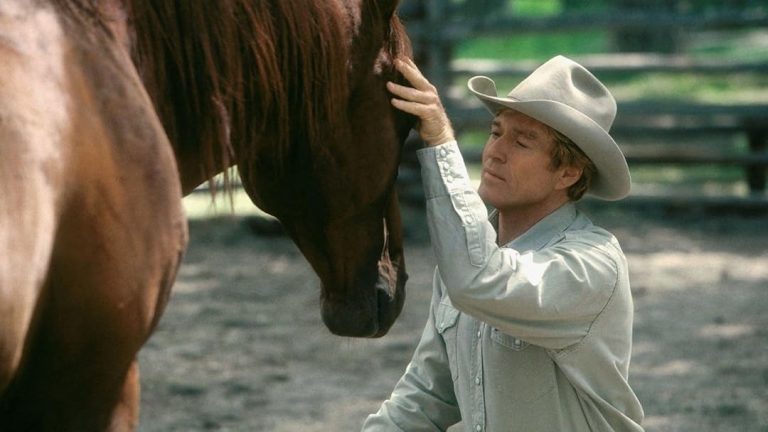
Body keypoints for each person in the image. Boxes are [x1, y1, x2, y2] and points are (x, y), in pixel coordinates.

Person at [362, 55, 645, 431]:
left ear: (568, 172)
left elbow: (479, 278)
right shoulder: (464, 255)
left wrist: (441, 141)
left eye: (524, 141)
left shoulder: (592, 263)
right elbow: (429, 395)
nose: (496, 151)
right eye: (497, 132)